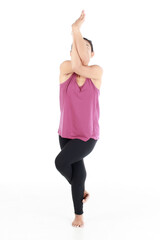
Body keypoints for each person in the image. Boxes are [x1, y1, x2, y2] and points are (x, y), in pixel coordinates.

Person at [55, 10, 103, 227]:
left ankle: (78, 189)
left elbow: (80, 65)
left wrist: (76, 31)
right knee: (77, 170)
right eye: (76, 47)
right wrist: (76, 33)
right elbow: (75, 65)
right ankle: (79, 214)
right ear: (71, 52)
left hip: (86, 137)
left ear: (92, 54)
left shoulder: (96, 72)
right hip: (65, 134)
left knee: (61, 162)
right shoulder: (65, 70)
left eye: (86, 47)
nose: (81, 50)